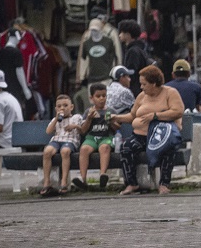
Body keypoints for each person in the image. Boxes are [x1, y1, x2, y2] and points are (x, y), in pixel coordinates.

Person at [112, 65, 185, 195]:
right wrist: (117, 117)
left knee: (168, 150)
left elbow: (178, 112)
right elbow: (132, 116)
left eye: (144, 84)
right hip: (141, 136)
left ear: (154, 83)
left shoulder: (170, 93)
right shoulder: (141, 96)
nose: (141, 87)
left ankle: (164, 184)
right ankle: (132, 183)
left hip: (161, 136)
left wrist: (156, 115)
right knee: (126, 147)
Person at [73, 82, 115, 192]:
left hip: (106, 137)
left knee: (104, 148)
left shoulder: (110, 111)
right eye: (98, 96)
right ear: (91, 98)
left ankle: (103, 175)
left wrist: (110, 121)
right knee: (84, 149)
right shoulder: (88, 111)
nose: (101, 98)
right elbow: (83, 130)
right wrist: (89, 119)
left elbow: (116, 128)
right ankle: (83, 179)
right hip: (91, 138)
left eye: (104, 96)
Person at [39, 94, 83, 196]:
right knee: (47, 152)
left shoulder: (76, 117)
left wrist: (74, 126)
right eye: (59, 106)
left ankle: (64, 182)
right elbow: (48, 131)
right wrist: (56, 119)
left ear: (71, 107)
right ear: (56, 108)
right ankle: (46, 182)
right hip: (56, 140)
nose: (62, 108)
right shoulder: (56, 120)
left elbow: (82, 130)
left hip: (70, 141)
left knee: (65, 151)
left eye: (65, 105)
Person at [0, 29, 33, 118]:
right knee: (16, 113)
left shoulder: (1, 53)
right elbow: (19, 71)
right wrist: (25, 89)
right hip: (15, 88)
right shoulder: (16, 53)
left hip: (3, 88)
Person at [117, 20, 151, 96]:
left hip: (135, 90)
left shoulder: (132, 51)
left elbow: (131, 72)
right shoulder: (139, 49)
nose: (119, 35)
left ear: (128, 34)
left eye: (122, 32)